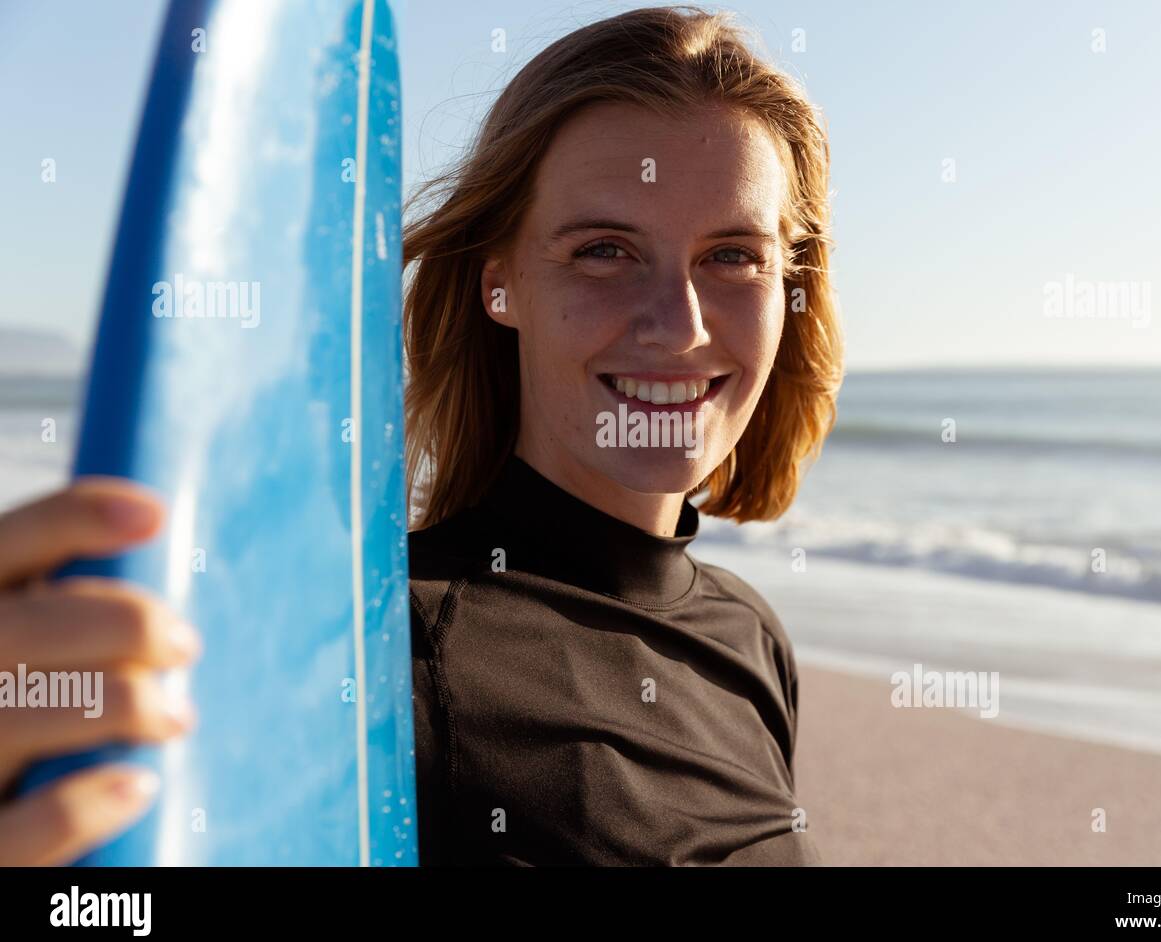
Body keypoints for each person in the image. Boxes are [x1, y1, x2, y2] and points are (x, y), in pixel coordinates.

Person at [0, 5, 840, 866]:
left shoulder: (749, 636)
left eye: (733, 255)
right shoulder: (379, 648)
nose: (678, 324)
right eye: (603, 250)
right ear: (498, 283)